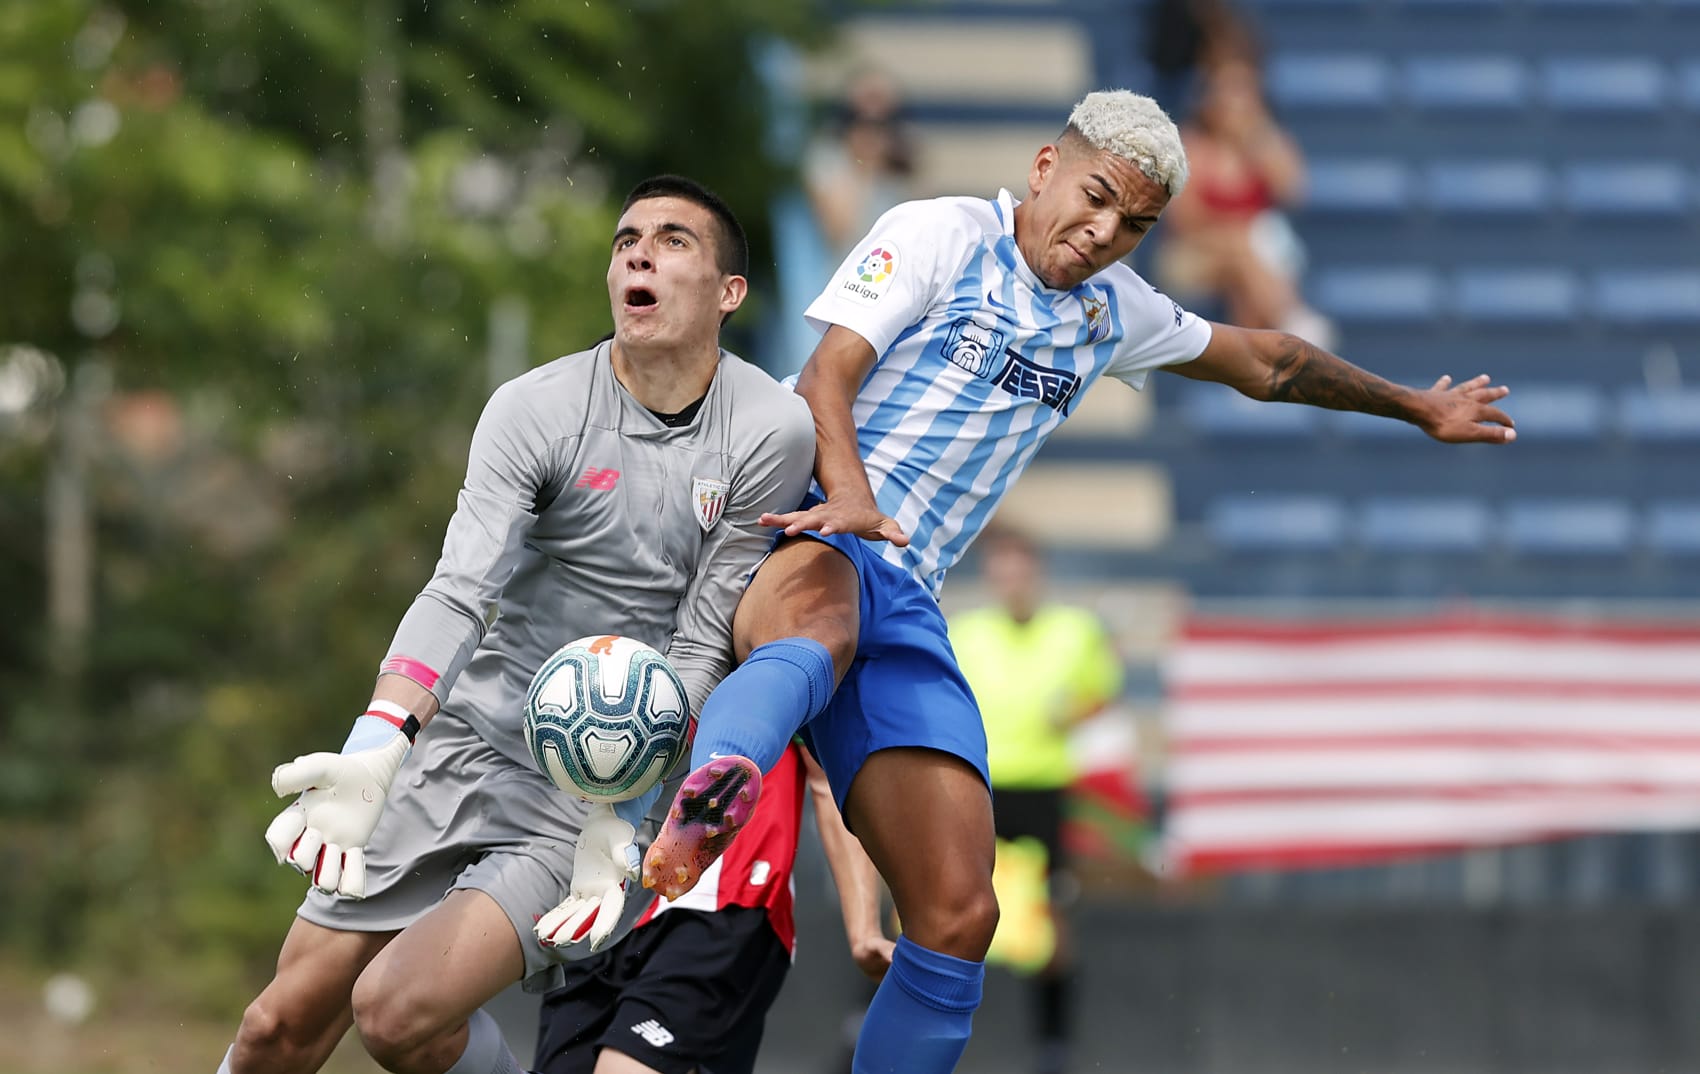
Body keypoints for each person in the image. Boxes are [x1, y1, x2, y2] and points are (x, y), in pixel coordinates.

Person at [645, 89, 1515, 1074]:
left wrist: (1415, 407)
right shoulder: (939, 234)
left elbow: (1265, 362)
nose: (1103, 232)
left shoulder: (1111, 314)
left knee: (961, 913)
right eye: (1095, 197)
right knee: (823, 623)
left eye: (1133, 224)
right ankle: (718, 784)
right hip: (804, 529)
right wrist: (847, 494)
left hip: (907, 593)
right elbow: (825, 376)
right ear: (1043, 167)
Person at [216, 174, 817, 1074]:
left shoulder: (771, 426)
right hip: (460, 743)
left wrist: (626, 800)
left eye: (673, 240)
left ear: (729, 293)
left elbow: (702, 641)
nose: (639, 254)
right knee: (277, 1028)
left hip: (582, 795)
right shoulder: (536, 407)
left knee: (392, 1010)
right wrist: (378, 741)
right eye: (625, 242)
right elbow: (459, 589)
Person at [534, 743, 891, 1074]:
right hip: (603, 901)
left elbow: (826, 781)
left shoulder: (785, 680)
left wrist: (864, 931)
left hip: (721, 901)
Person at [948, 527, 1125, 1074]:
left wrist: (1070, 714)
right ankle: (873, 1030)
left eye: (1020, 570)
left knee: (1050, 923)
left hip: (1045, 791)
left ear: (1036, 573)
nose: (1013, 582)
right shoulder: (967, 633)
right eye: (1002, 572)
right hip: (979, 791)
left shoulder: (1075, 631)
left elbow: (1102, 693)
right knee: (935, 913)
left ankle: (1054, 1046)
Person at [1155, 58, 1335, 346]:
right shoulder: (1193, 147)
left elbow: (1293, 190)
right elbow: (1185, 219)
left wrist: (1258, 140)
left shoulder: (1267, 142)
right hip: (1193, 255)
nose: (1236, 105)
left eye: (1244, 94)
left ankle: (1253, 377)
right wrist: (1234, 235)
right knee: (1245, 252)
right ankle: (1291, 320)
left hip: (1255, 253)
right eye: (1227, 94)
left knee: (1244, 279)